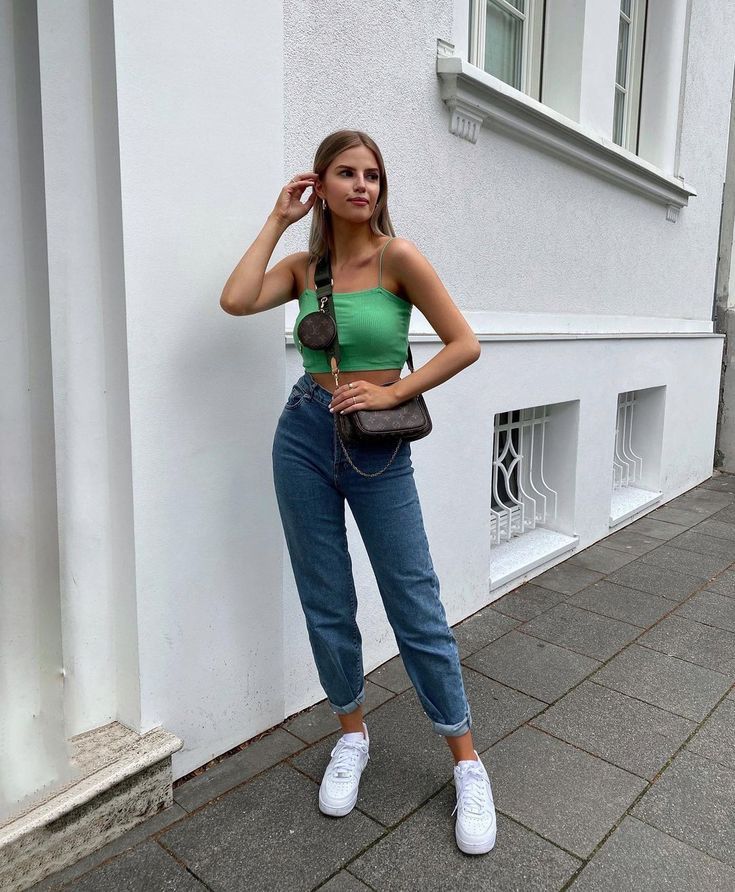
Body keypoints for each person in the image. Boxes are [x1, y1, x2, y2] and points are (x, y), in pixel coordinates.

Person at [220, 129, 496, 855]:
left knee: (414, 600)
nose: (362, 186)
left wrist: (392, 390)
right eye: (345, 173)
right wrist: (277, 219)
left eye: (372, 174)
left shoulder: (397, 258)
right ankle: (351, 733)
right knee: (325, 598)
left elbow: (463, 342)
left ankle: (465, 761)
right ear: (321, 183)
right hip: (302, 434)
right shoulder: (302, 265)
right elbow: (235, 299)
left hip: (377, 449)